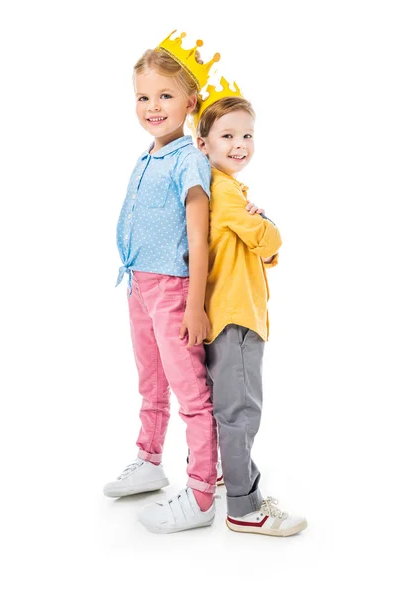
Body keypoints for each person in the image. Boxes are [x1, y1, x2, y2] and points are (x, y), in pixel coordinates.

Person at [103, 31, 221, 534]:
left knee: (189, 390)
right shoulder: (149, 155)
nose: (153, 106)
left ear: (190, 102)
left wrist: (195, 304)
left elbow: (199, 236)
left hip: (173, 289)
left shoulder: (190, 160)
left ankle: (200, 491)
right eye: (144, 97)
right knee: (150, 381)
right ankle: (150, 459)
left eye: (165, 96)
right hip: (138, 286)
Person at [195, 92, 308, 536]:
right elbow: (271, 242)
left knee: (223, 403)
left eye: (247, 135)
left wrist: (260, 227)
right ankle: (244, 507)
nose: (240, 144)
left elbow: (258, 248)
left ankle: (220, 474)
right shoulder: (225, 193)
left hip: (227, 312)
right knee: (240, 410)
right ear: (203, 143)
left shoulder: (222, 189)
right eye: (228, 135)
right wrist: (267, 225)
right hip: (236, 317)